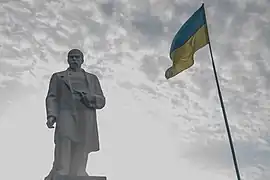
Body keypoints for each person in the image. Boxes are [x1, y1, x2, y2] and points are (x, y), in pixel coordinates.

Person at [44, 49, 106, 180]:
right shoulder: (58, 77)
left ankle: (79, 171)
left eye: (77, 57)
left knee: (83, 141)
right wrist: (51, 115)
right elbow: (52, 96)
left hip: (85, 113)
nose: (74, 59)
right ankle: (62, 170)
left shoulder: (92, 78)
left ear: (82, 60)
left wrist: (90, 98)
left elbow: (101, 100)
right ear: (67, 59)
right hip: (66, 111)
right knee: (64, 139)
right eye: (71, 57)